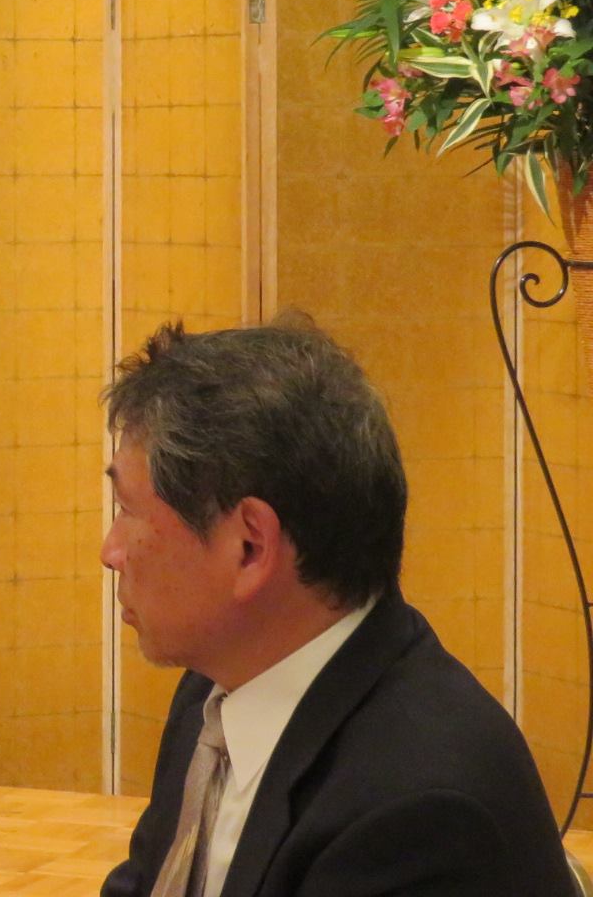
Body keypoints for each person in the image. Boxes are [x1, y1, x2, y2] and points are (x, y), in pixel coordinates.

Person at [101, 319, 575, 897]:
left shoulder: (419, 814)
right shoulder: (217, 686)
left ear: (250, 546)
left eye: (127, 510)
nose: (110, 552)